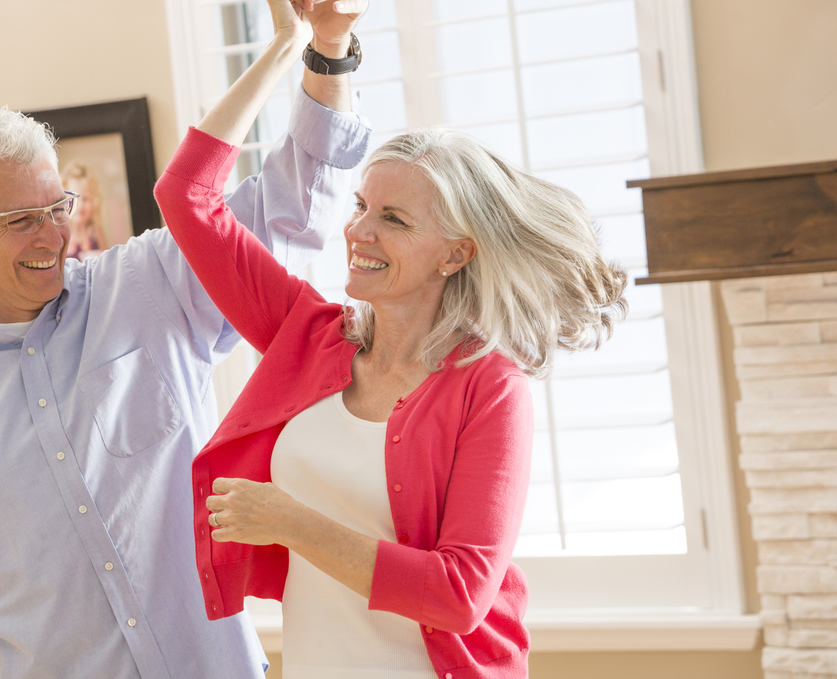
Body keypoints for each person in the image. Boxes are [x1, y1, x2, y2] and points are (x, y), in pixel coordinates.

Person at [0, 1, 370, 676]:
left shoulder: (150, 285)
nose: (52, 236)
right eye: (21, 219)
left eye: (56, 208)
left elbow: (292, 206)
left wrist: (327, 45)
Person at [154, 3, 628, 676]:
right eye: (360, 207)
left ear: (454, 254)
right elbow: (186, 197)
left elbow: (459, 595)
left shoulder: (488, 386)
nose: (359, 232)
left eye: (394, 219)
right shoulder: (307, 333)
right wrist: (299, 45)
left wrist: (289, 521)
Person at [60, 160, 108, 260]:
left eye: (85, 199)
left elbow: (107, 263)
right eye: (74, 199)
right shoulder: (61, 235)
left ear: (94, 200)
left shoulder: (96, 232)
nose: (80, 205)